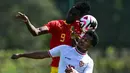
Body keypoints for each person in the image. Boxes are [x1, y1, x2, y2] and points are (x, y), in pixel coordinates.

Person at [15, 1, 94, 73]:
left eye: (74, 14)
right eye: (71, 12)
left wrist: (75, 37)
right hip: (56, 67)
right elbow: (36, 32)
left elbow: (81, 48)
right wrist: (27, 22)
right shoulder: (56, 24)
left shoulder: (80, 27)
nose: (71, 15)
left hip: (73, 68)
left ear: (78, 17)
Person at [11, 30, 99, 73]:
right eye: (83, 38)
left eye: (86, 40)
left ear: (90, 46)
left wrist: (74, 72)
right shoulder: (64, 49)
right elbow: (42, 55)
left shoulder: (89, 62)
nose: (83, 40)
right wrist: (22, 55)